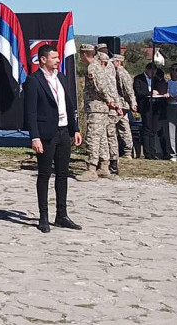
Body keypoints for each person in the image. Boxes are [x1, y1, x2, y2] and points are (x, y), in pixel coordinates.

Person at [23, 44, 83, 233]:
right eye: (54, 57)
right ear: (43, 59)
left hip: (64, 132)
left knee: (63, 174)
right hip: (46, 134)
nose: (58, 60)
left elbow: (69, 103)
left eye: (58, 57)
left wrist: (75, 129)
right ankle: (44, 217)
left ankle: (62, 215)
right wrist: (35, 137)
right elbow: (30, 112)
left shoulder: (61, 78)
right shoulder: (34, 81)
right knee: (44, 174)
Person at [79, 44, 119, 180]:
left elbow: (100, 87)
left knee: (93, 137)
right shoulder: (99, 66)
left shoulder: (92, 67)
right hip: (102, 108)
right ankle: (104, 166)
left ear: (84, 54)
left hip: (96, 107)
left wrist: (109, 100)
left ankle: (91, 169)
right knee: (102, 138)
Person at [133, 62, 164, 159]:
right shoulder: (139, 78)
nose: (153, 73)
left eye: (154, 71)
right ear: (148, 70)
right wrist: (150, 93)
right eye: (152, 71)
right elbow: (138, 92)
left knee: (154, 129)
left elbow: (161, 89)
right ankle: (147, 152)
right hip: (145, 106)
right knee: (147, 128)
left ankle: (153, 151)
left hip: (155, 106)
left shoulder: (156, 80)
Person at [111, 54, 137, 166]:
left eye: (114, 62)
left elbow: (129, 90)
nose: (112, 63)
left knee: (114, 125)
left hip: (122, 104)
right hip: (121, 104)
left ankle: (126, 151)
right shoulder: (117, 73)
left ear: (119, 62)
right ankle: (128, 151)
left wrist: (132, 103)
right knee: (123, 127)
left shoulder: (123, 74)